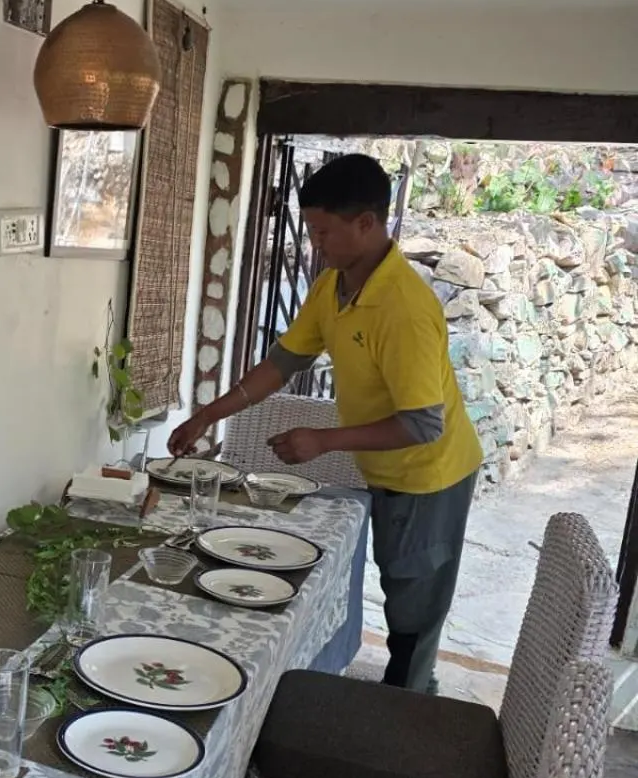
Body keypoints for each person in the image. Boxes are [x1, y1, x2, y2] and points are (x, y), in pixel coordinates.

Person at [170, 153, 482, 693]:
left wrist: (323, 441)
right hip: (387, 470)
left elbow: (423, 424)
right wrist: (206, 415)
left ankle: (404, 720)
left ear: (367, 223)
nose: (316, 244)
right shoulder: (333, 286)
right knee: (397, 588)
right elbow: (283, 364)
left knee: (412, 619)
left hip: (431, 475)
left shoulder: (404, 308)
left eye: (323, 232)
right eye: (312, 230)